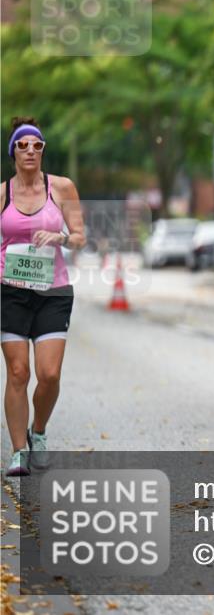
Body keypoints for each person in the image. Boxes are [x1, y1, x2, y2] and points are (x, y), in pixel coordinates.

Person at [2, 117, 86, 477]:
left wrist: (61, 238)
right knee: (18, 372)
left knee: (49, 374)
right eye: (24, 145)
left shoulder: (62, 188)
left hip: (53, 291)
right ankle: (19, 451)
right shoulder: (2, 193)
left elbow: (80, 236)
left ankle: (39, 431)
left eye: (38, 145)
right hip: (10, 292)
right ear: (13, 152)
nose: (31, 150)